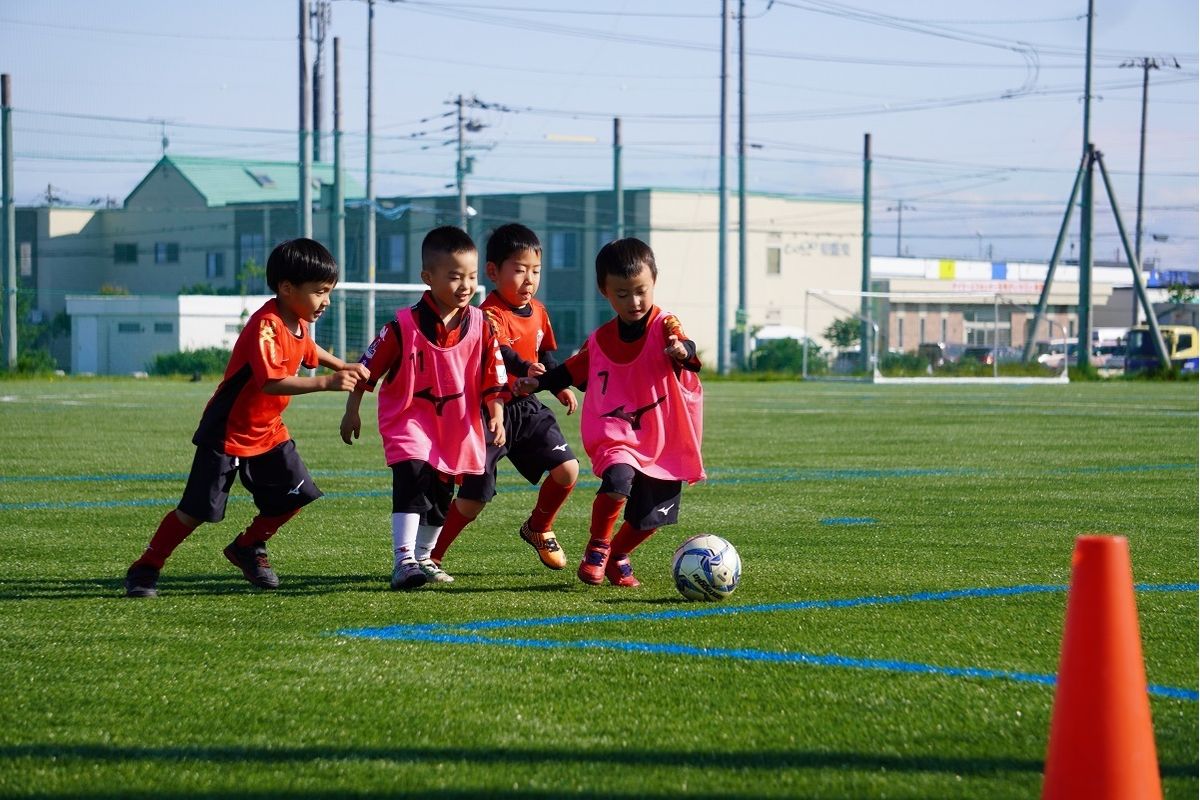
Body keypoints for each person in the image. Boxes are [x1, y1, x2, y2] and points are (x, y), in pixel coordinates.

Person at [123, 238, 370, 598]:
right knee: (194, 513)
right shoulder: (265, 325)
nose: (327, 301)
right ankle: (147, 566)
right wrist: (328, 381)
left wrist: (339, 363)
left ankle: (248, 546)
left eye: (328, 291)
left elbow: (306, 347)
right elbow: (271, 382)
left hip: (269, 433)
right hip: (228, 432)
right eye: (320, 292)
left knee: (297, 494)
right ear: (287, 289)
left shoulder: (298, 321)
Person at [517, 237, 704, 587]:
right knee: (618, 479)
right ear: (604, 290)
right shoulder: (601, 339)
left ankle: (618, 555)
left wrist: (681, 350)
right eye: (622, 294)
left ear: (654, 282)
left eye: (640, 291)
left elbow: (687, 348)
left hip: (663, 436)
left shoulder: (665, 324)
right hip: (618, 432)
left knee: (655, 516)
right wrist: (536, 385)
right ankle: (599, 547)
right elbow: (572, 370)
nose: (633, 301)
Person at [340, 226, 507, 590]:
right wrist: (352, 409)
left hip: (455, 426)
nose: (465, 286)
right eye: (454, 277)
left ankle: (425, 556)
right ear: (427, 278)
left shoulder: (482, 324)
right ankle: (403, 559)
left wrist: (494, 410)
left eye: (471, 277)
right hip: (409, 421)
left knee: (441, 492)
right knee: (413, 476)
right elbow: (367, 369)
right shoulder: (402, 325)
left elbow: (493, 372)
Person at [428, 223, 580, 574]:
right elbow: (504, 353)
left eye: (536, 271)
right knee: (473, 499)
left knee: (567, 470)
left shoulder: (540, 311)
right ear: (494, 272)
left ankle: (538, 527)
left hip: (527, 410)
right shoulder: (485, 314)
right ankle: (433, 554)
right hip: (490, 411)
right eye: (520, 269)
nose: (529, 279)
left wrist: (557, 386)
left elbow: (548, 354)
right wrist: (529, 369)